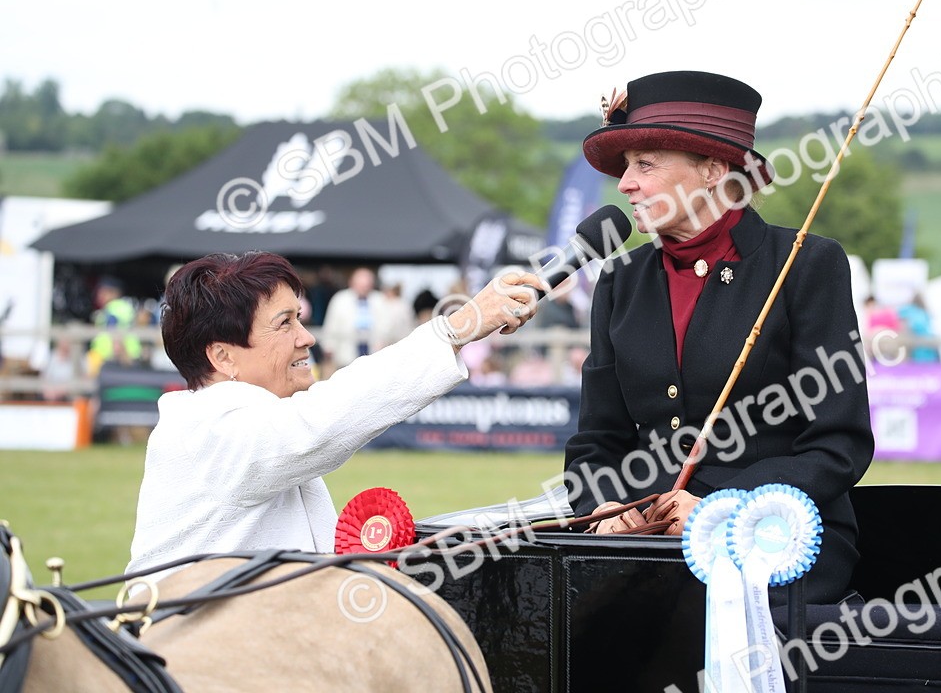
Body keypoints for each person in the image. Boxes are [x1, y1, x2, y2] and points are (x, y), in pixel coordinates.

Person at [562, 71, 874, 605]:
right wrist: (608, 508)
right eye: (626, 168)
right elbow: (596, 441)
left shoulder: (806, 265)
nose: (625, 184)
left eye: (645, 164)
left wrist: (719, 504)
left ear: (711, 170)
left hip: (777, 542)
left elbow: (838, 445)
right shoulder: (619, 282)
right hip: (640, 543)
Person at [126, 251, 540, 577]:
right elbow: (323, 419)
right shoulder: (209, 429)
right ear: (221, 355)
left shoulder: (238, 420)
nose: (306, 338)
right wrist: (458, 328)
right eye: (284, 324)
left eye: (299, 319)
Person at [321, 267, 403, 372]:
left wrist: (382, 342)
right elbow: (331, 326)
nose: (364, 288)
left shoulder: (379, 299)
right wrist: (329, 347)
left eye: (367, 285)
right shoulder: (340, 299)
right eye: (361, 285)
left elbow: (388, 325)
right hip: (346, 356)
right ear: (352, 283)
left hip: (374, 355)